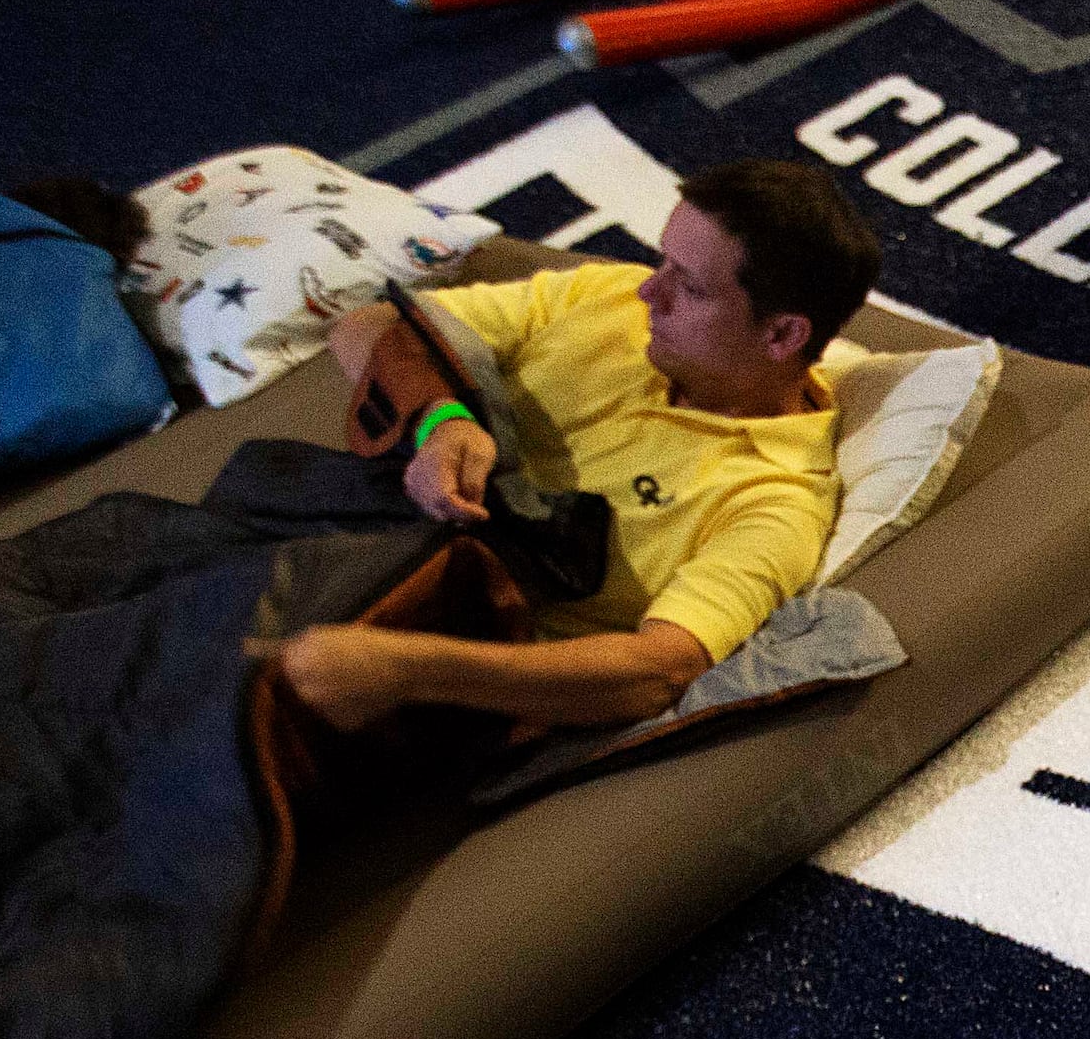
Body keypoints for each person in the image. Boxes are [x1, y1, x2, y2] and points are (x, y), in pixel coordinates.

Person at [279, 158, 880, 733]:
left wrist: (403, 668)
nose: (650, 294)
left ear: (782, 334)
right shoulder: (613, 295)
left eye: (691, 288)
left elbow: (657, 671)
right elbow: (369, 326)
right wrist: (442, 419)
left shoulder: (773, 499)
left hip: (430, 646)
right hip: (331, 542)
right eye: (661, 263)